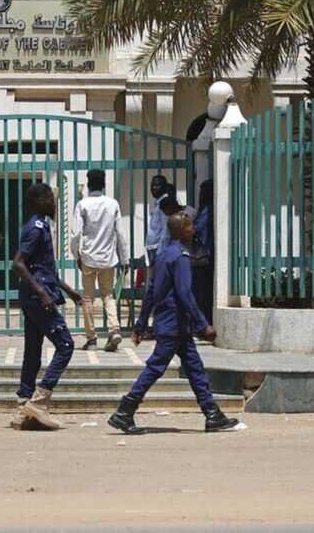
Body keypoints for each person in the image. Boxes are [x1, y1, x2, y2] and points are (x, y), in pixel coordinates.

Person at [107, 212, 241, 434]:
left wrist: (141, 324)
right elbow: (184, 293)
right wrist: (203, 325)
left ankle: (212, 414)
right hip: (174, 324)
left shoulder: (163, 255)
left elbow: (151, 291)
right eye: (189, 226)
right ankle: (125, 411)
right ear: (180, 230)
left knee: (195, 369)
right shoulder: (180, 257)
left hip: (174, 324)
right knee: (155, 368)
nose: (193, 229)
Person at [11, 183, 83, 431]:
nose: (54, 203)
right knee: (66, 345)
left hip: (37, 294)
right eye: (50, 199)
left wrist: (68, 290)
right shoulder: (36, 228)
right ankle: (39, 402)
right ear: (38, 202)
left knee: (33, 350)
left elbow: (42, 268)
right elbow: (18, 264)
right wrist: (42, 293)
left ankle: (24, 405)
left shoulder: (41, 225)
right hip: (38, 297)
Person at [70, 169, 130, 352]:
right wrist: (125, 259)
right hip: (108, 258)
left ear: (88, 184)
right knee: (108, 295)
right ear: (104, 184)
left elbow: (76, 234)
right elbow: (120, 234)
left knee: (88, 298)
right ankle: (114, 329)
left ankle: (92, 339)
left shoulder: (82, 204)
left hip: (88, 257)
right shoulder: (112, 204)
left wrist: (76, 255)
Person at [191, 180, 214, 325]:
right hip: (205, 255)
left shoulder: (207, 209)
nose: (200, 194)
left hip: (203, 256)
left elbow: (197, 228)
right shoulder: (206, 208)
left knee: (202, 292)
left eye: (203, 191)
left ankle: (203, 323)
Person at [144, 175, 170, 267]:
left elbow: (166, 230)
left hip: (158, 248)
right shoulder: (158, 202)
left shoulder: (164, 203)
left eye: (157, 185)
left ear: (164, 187)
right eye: (152, 185)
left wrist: (160, 252)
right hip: (153, 248)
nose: (153, 187)